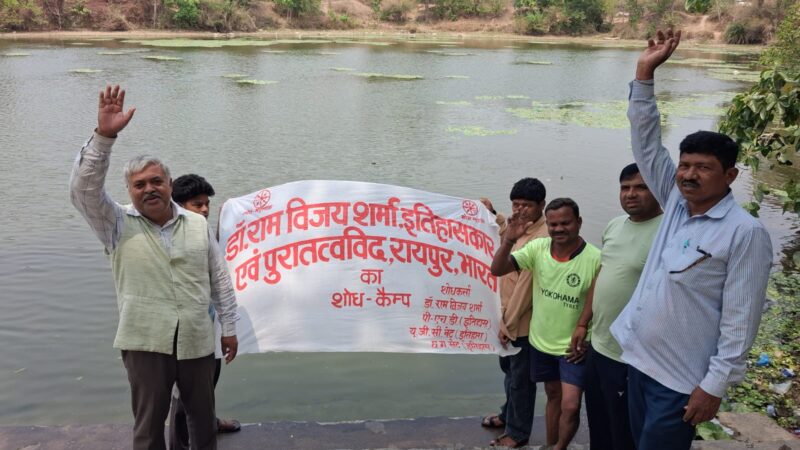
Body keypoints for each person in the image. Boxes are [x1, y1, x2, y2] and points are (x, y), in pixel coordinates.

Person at [610, 30, 773, 450]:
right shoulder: (677, 204)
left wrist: (714, 386)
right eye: (684, 165)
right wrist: (645, 73)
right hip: (638, 362)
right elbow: (646, 144)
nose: (688, 175)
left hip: (680, 379)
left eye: (703, 167)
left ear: (730, 176)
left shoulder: (744, 233)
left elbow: (741, 319)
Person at [70, 85, 240, 450]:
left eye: (156, 182)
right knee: (148, 430)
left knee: (202, 425)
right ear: (129, 191)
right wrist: (104, 136)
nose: (149, 189)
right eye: (139, 185)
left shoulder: (196, 224)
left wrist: (228, 328)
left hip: (197, 340)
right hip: (145, 343)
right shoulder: (115, 224)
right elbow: (83, 191)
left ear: (170, 184)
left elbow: (220, 279)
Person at [491, 198, 601, 450]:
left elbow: (595, 301)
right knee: (553, 395)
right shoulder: (538, 248)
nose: (559, 229)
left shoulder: (595, 258)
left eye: (565, 223)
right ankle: (551, 444)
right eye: (553, 224)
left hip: (573, 347)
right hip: (541, 342)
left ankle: (560, 446)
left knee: (571, 404)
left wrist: (583, 328)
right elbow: (497, 269)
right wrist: (509, 239)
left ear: (579, 222)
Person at [576, 163, 663, 450]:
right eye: (625, 187)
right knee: (598, 423)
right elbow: (603, 274)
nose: (631, 194)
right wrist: (582, 323)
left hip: (631, 356)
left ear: (657, 190)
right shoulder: (615, 225)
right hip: (599, 345)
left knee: (623, 430)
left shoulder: (667, 232)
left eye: (640, 187)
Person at [169, 174, 241, 450]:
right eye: (197, 205)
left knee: (208, 380)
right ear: (178, 206)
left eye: (207, 204)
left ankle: (208, 421)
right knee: (182, 394)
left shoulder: (203, 231)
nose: (204, 210)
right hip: (182, 331)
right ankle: (180, 442)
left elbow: (219, 268)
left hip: (207, 327)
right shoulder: (172, 237)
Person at [479, 178, 549, 449]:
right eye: (515, 204)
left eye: (527, 205)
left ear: (541, 206)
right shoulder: (519, 227)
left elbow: (525, 289)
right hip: (505, 317)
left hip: (521, 323)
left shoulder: (542, 239)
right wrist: (490, 211)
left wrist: (506, 324)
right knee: (509, 372)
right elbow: (504, 232)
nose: (520, 210)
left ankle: (517, 433)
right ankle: (507, 415)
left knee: (521, 380)